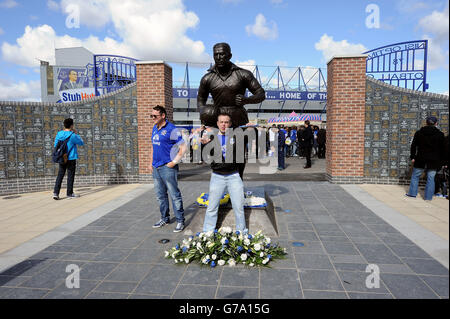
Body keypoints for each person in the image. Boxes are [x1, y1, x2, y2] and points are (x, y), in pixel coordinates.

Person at [201, 113, 247, 234]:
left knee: (239, 207)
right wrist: (203, 145)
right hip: (217, 176)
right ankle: (208, 233)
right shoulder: (211, 138)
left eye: (226, 122)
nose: (223, 124)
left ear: (230, 124)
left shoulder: (237, 137)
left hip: (234, 176)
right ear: (217, 123)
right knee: (212, 207)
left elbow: (242, 159)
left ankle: (242, 233)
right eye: (221, 122)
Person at [151, 105, 187, 232]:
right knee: (160, 195)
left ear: (163, 116)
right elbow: (153, 147)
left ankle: (180, 220)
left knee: (174, 195)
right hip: (156, 168)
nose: (153, 118)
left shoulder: (172, 129)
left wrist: (174, 162)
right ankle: (164, 218)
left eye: (155, 116)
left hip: (168, 167)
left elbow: (183, 147)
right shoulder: (155, 128)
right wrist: (152, 162)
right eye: (152, 116)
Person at [406, 116, 446, 201]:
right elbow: (444, 149)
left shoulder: (419, 133)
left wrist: (413, 156)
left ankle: (412, 194)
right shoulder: (440, 134)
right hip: (434, 160)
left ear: (426, 123)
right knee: (431, 178)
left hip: (421, 158)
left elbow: (413, 146)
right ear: (436, 123)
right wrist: (442, 161)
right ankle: (428, 197)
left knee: (415, 176)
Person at [53, 118, 84, 200]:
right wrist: (76, 133)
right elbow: (81, 143)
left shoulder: (59, 134)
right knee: (70, 176)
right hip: (71, 157)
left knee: (60, 175)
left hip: (62, 157)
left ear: (64, 125)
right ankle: (69, 193)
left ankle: (56, 193)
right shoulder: (72, 135)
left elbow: (56, 145)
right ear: (71, 125)